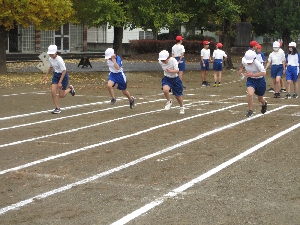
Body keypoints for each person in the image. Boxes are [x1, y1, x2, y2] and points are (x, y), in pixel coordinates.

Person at [42, 45, 75, 114]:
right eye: (50, 54)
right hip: (56, 75)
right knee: (53, 92)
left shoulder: (59, 60)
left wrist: (60, 82)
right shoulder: (50, 59)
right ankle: (57, 108)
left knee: (61, 95)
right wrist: (46, 76)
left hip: (63, 76)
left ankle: (70, 89)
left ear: (56, 52)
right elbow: (50, 67)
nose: (51, 55)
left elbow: (64, 71)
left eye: (52, 53)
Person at [239, 50, 267, 117]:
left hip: (260, 81)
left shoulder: (257, 63)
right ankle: (250, 110)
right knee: (250, 94)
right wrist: (240, 69)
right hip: (251, 80)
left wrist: (253, 74)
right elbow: (242, 64)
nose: (248, 63)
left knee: (260, 99)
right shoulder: (244, 60)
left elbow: (264, 73)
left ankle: (264, 104)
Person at [158, 50, 185, 114]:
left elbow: (177, 70)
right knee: (165, 90)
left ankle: (181, 107)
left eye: (164, 60)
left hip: (175, 79)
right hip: (167, 78)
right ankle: (169, 101)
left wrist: (170, 71)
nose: (163, 62)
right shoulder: (160, 62)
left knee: (178, 96)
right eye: (162, 60)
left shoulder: (173, 61)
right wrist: (168, 72)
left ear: (168, 58)